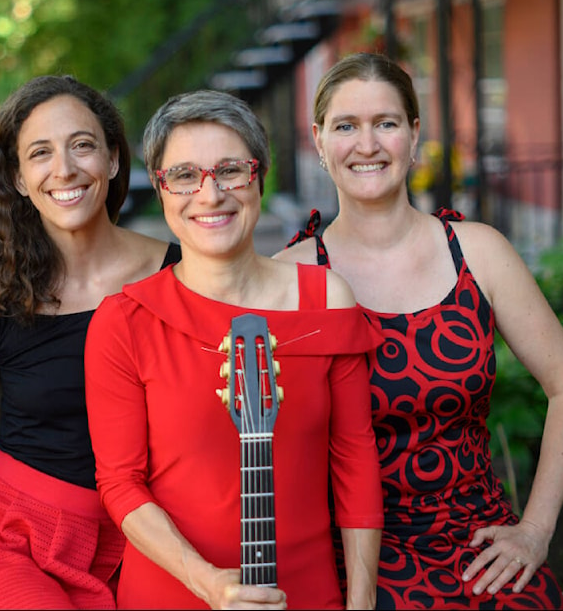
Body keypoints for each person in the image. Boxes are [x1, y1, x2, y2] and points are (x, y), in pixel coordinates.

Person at [275, 51, 563, 609]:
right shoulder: (286, 277)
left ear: (414, 135)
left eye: (387, 123)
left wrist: (536, 530)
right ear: (319, 141)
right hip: (350, 550)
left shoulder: (479, 251)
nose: (367, 144)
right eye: (346, 125)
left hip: (478, 537)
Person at [84, 89, 386, 610]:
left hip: (306, 589)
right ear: (161, 189)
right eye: (183, 175)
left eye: (231, 170)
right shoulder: (125, 320)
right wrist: (209, 583)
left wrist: (359, 604)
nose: (210, 193)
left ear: (259, 177)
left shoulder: (324, 298)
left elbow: (355, 463)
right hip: (173, 590)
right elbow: (121, 485)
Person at [0, 74, 181, 609]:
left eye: (83, 146)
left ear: (114, 160)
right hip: (13, 532)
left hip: (144, 532)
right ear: (20, 179)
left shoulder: (177, 273)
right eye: (40, 153)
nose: (64, 169)